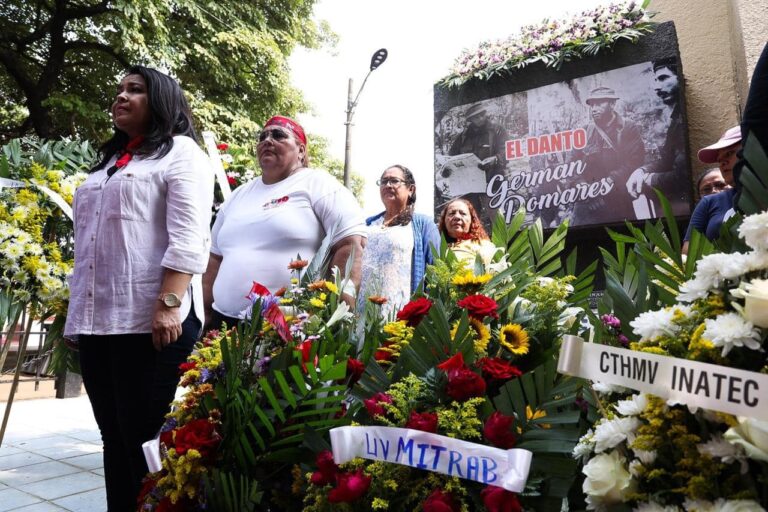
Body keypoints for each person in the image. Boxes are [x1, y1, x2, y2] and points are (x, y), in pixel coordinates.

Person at [64, 66, 214, 511]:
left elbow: (189, 236)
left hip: (151, 321)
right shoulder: (110, 161)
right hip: (99, 320)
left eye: (135, 90)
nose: (121, 97)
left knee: (142, 439)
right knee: (112, 436)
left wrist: (168, 304)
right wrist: (77, 316)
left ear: (161, 100)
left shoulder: (182, 154)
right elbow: (88, 245)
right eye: (119, 90)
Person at [203, 116, 366, 327]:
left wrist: (334, 315)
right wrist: (205, 311)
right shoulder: (238, 196)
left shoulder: (319, 184)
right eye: (263, 136)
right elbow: (214, 258)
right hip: (223, 324)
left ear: (301, 151)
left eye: (278, 135)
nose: (267, 140)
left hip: (288, 326)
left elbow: (351, 245)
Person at [357, 165, 440, 314]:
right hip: (362, 314)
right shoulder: (367, 224)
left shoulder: (423, 225)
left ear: (411, 189)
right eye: (384, 181)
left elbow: (436, 272)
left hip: (399, 316)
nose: (388, 185)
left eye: (394, 181)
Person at [573, 86, 646, 223]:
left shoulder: (628, 128)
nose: (594, 109)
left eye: (599, 103)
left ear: (612, 104)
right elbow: (571, 165)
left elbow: (635, 162)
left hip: (618, 200)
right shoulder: (584, 131)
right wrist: (582, 187)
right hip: (588, 203)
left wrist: (608, 182)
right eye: (592, 105)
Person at [626, 59, 689, 215]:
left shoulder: (684, 117)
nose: (656, 87)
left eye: (663, 78)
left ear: (680, 76)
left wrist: (649, 179)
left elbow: (682, 176)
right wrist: (641, 171)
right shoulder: (676, 118)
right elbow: (668, 160)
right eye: (656, 80)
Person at [682, 126, 743, 253]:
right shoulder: (709, 202)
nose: (722, 163)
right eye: (719, 160)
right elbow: (688, 254)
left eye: (729, 153)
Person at [448, 103, 508, 220]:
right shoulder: (464, 136)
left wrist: (495, 158)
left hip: (492, 180)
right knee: (472, 219)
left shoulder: (497, 130)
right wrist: (449, 168)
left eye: (482, 115)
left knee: (497, 217)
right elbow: (452, 156)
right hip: (470, 185)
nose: (480, 118)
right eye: (476, 117)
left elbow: (507, 150)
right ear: (470, 120)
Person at [438, 198, 497, 265]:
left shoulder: (484, 246)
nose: (457, 217)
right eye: (452, 213)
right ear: (444, 220)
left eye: (463, 213)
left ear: (472, 220)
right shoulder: (436, 246)